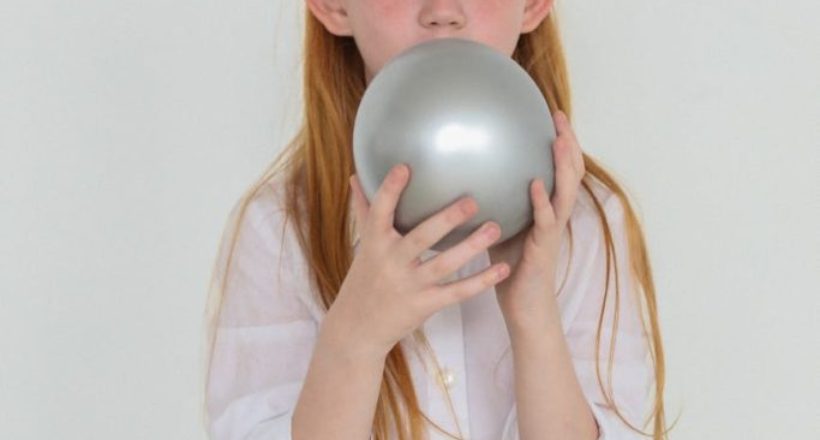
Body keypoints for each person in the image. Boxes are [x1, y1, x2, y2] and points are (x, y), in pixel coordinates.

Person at [202, 1, 673, 439]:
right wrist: (356, 338)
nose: (443, 12)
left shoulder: (588, 222)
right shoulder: (279, 230)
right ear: (333, 5)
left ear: (533, 4)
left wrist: (534, 315)